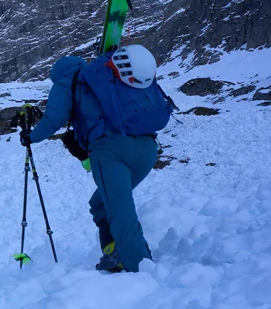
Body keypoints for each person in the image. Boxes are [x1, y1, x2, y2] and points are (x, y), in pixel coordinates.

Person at [23, 44, 172, 273]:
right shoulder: (105, 74)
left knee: (120, 212)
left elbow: (53, 120)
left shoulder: (66, 82)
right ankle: (114, 253)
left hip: (111, 152)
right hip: (147, 148)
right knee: (100, 203)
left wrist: (30, 138)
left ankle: (140, 269)